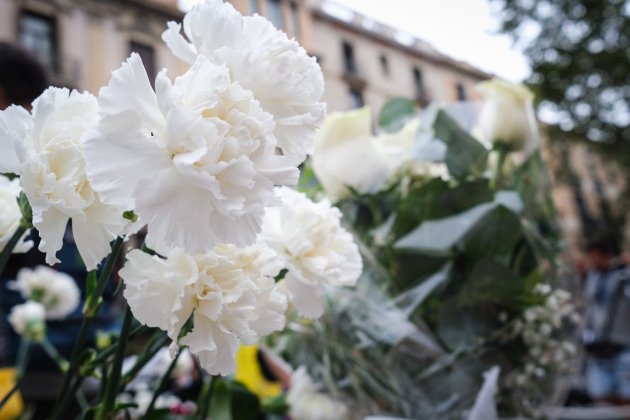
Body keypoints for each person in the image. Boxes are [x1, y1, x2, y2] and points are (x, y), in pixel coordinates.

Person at [582, 236, 630, 404]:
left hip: (623, 344)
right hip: (600, 346)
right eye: (591, 257)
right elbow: (590, 308)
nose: (594, 261)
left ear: (607, 256)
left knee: (627, 395)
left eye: (597, 256)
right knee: (600, 394)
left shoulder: (624, 276)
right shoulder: (592, 278)